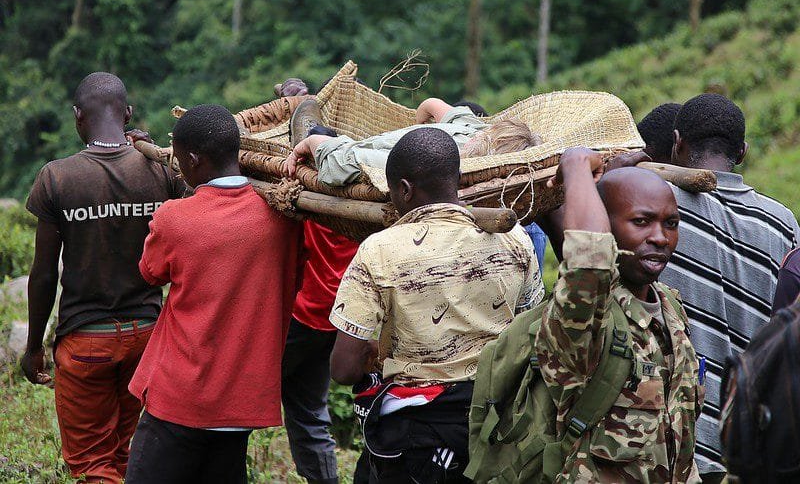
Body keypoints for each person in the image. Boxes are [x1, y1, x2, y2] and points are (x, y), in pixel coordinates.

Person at [328, 128, 544, 483]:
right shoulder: (515, 239)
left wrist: (374, 353)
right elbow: (529, 326)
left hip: (415, 438)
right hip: (496, 426)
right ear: (457, 180)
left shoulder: (378, 250)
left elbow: (343, 368)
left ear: (404, 189)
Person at [21, 72, 185, 483]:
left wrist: (33, 346)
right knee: (125, 454)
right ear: (128, 113)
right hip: (148, 337)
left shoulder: (56, 177)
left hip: (84, 342)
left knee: (94, 464)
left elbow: (42, 275)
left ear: (78, 117)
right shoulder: (161, 171)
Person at [125, 104, 303, 484]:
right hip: (242, 403)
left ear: (192, 159)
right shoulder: (283, 218)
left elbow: (149, 273)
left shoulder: (174, 218)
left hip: (181, 397)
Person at [534, 148, 703, 482]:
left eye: (670, 224)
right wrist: (577, 165)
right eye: (641, 222)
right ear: (605, 227)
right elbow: (589, 262)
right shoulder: (585, 315)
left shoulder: (670, 305)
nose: (660, 237)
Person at [659, 93, 800, 481]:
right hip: (744, 432)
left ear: (677, 142)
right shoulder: (783, 223)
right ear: (743, 151)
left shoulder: (659, 205)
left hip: (673, 436)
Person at [276, 78, 360, 484]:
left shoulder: (309, 200)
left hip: (306, 316)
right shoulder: (361, 201)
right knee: (309, 409)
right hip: (345, 323)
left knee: (236, 396)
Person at [282, 97, 541, 186]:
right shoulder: (470, 130)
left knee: (320, 134)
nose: (479, 134)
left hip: (348, 148)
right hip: (384, 145)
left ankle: (307, 131)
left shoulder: (430, 165)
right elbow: (431, 106)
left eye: (485, 137)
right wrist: (417, 129)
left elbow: (343, 162)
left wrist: (310, 143)